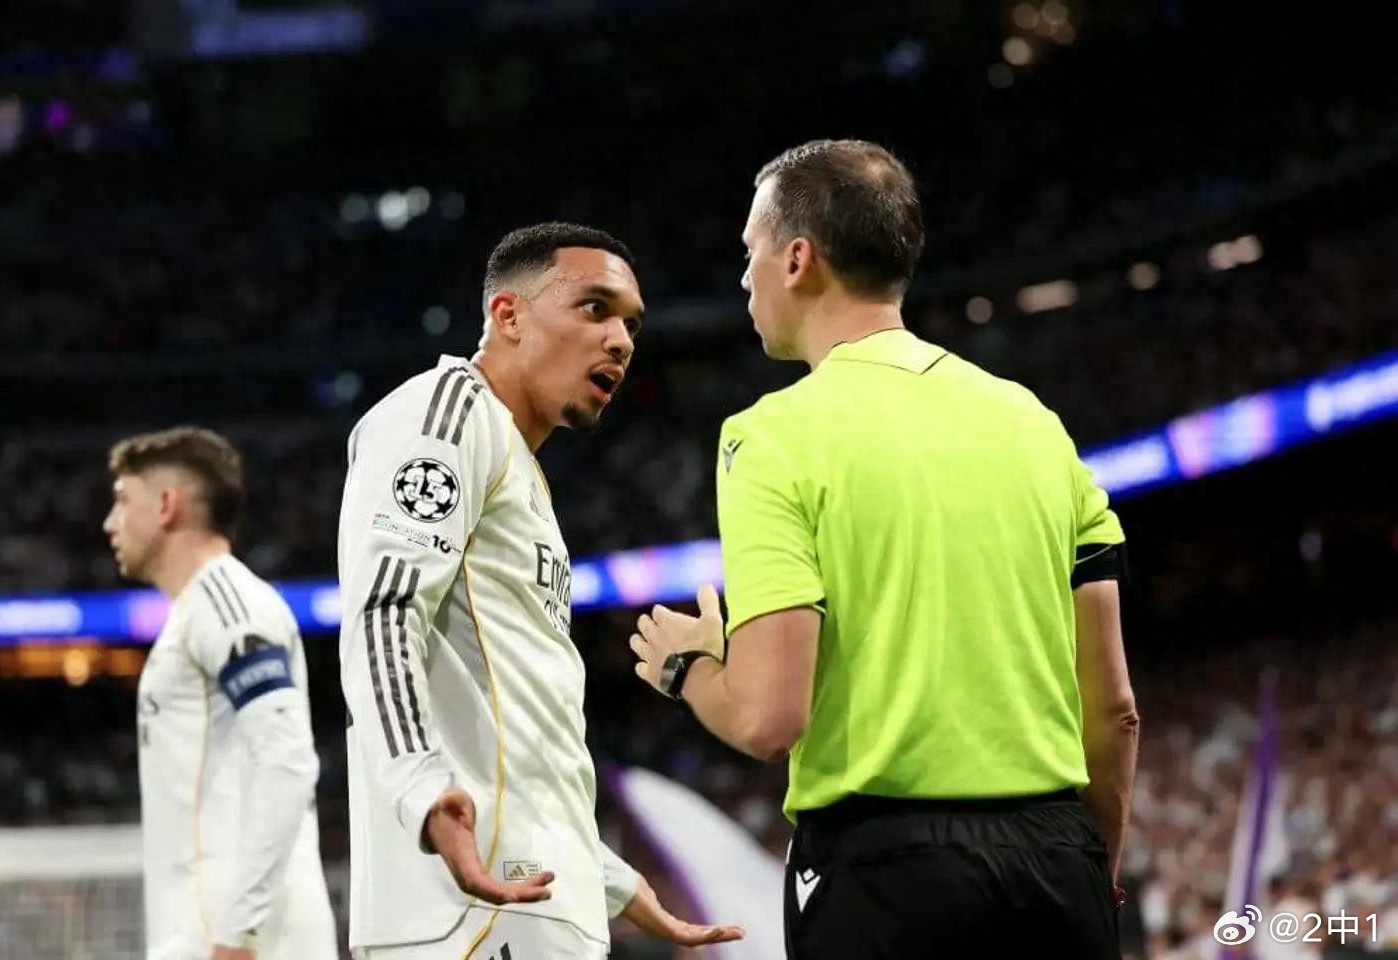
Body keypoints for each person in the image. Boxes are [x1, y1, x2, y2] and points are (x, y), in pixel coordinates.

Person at [629, 139, 1140, 958]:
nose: (744, 278)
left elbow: (768, 718)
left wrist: (687, 666)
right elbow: (1114, 708)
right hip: (1056, 863)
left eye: (750, 252)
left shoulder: (773, 436)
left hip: (885, 877)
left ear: (799, 259)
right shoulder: (1034, 423)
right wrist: (1094, 872)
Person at [337, 222, 743, 959]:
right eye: (595, 308)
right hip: (471, 906)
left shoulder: (523, 474)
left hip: (533, 896)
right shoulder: (447, 415)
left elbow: (520, 727)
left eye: (632, 324)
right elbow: (384, 612)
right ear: (509, 315)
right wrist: (423, 788)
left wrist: (607, 877)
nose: (620, 340)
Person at [102, 426, 336, 960]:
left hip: (242, 942)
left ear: (167, 505)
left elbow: (287, 761)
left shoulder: (227, 604)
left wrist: (238, 931)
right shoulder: (196, 612)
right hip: (207, 935)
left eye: (122, 501)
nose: (110, 522)